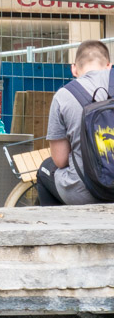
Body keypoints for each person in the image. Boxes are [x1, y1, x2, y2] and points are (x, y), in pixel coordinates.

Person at [37, 39, 112, 206]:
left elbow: (60, 160)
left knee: (45, 169)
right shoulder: (110, 75)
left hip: (85, 193)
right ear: (109, 65)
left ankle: (58, 229)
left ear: (74, 68)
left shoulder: (63, 96)